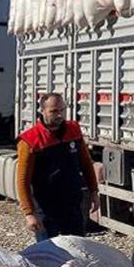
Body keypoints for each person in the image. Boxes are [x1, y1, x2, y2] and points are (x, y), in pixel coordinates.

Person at [16, 93, 99, 240]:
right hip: (45, 209)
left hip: (72, 206)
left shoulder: (73, 130)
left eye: (62, 110)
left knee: (77, 249)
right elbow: (23, 181)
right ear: (42, 111)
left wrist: (93, 192)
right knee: (48, 254)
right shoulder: (30, 140)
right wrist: (29, 214)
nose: (59, 115)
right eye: (54, 111)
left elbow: (86, 164)